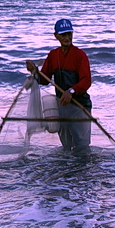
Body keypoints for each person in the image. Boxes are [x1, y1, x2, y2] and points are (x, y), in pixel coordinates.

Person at [27, 18, 92, 151]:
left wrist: (72, 91)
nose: (67, 37)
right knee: (66, 146)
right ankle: (68, 170)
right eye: (63, 34)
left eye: (69, 34)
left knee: (82, 146)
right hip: (61, 105)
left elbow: (86, 81)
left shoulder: (80, 55)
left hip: (80, 106)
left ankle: (83, 170)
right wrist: (34, 71)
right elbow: (44, 79)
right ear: (56, 36)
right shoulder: (53, 55)